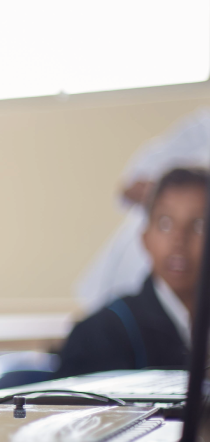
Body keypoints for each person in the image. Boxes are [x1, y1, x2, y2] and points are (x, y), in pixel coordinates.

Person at [57, 167, 206, 378]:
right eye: (165, 224)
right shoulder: (101, 333)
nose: (179, 240)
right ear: (145, 238)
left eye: (199, 225)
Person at [75, 108, 210, 313]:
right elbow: (131, 186)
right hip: (133, 279)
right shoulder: (201, 128)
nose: (179, 238)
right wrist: (177, 199)